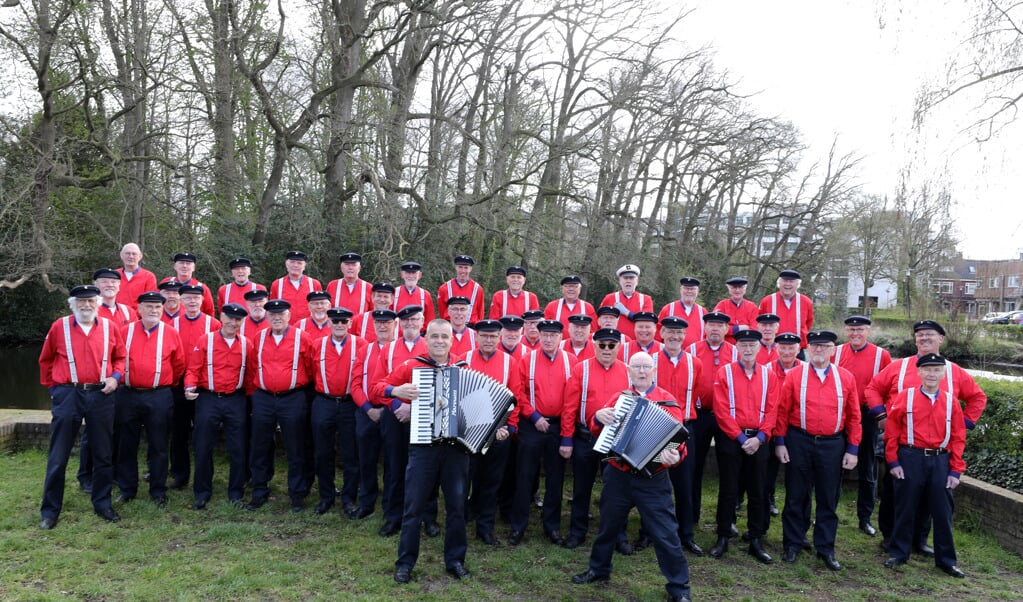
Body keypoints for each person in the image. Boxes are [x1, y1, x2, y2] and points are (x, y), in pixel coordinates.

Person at [571, 352, 692, 602]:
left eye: (646, 367)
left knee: (666, 532)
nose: (641, 371)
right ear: (629, 371)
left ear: (654, 371)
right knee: (607, 526)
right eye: (636, 367)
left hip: (654, 478)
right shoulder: (619, 398)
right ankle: (599, 569)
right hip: (619, 473)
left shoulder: (668, 402)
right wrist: (597, 416)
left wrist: (675, 457)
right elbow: (598, 429)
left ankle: (679, 587)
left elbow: (679, 443)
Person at [864, 319, 986, 552]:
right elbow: (872, 389)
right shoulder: (898, 367)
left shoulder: (953, 371)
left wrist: (962, 424)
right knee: (894, 492)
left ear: (941, 338)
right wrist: (881, 416)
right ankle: (891, 537)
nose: (924, 339)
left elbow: (978, 398)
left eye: (930, 334)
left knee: (928, 496)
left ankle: (919, 539)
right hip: (901, 443)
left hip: (936, 447)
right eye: (919, 335)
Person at [378, 320, 473, 584]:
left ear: (452, 340)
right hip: (423, 447)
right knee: (413, 507)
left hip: (456, 450)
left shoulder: (464, 368)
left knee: (456, 507)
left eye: (444, 336)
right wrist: (395, 392)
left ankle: (455, 560)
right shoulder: (412, 365)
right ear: (426, 338)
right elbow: (378, 387)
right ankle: (405, 563)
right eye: (434, 336)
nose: (440, 341)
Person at [38, 285, 126, 528]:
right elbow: (45, 359)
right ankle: (50, 510)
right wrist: (54, 389)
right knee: (58, 454)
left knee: (103, 453)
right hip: (68, 393)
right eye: (81, 302)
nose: (86, 306)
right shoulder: (60, 326)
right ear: (72, 304)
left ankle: (102, 503)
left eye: (90, 301)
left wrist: (115, 377)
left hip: (101, 394)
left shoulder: (109, 327)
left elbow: (120, 357)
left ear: (97, 302)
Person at [774, 330, 860, 570]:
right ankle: (792, 543)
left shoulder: (846, 377)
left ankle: (825, 547)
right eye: (815, 346)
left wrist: (852, 449)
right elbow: (781, 411)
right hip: (799, 440)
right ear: (808, 349)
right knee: (796, 495)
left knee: (828, 497)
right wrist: (780, 442)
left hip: (832, 444)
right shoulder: (794, 376)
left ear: (833, 349)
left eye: (825, 346)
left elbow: (854, 416)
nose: (819, 350)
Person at [883, 353, 967, 578]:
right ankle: (899, 553)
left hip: (940, 460)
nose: (932, 374)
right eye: (927, 369)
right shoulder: (905, 397)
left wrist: (956, 469)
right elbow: (891, 432)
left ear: (943, 373)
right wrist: (893, 461)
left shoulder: (951, 402)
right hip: (910, 457)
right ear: (919, 372)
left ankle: (946, 560)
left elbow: (959, 436)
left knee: (942, 512)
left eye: (936, 370)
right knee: (905, 508)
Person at [709, 329, 779, 564]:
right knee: (728, 489)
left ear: (760, 347)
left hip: (759, 440)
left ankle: (756, 539)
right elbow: (720, 409)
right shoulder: (724, 373)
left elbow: (772, 410)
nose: (748, 349)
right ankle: (723, 536)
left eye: (752, 345)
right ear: (737, 348)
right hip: (732, 439)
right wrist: (740, 439)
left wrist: (759, 438)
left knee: (758, 490)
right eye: (743, 345)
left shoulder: (769, 375)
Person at [562, 328, 631, 551]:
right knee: (582, 487)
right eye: (602, 345)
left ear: (619, 347)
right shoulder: (581, 369)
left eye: (612, 345)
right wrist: (566, 439)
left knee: (616, 491)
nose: (607, 350)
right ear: (594, 345)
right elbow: (570, 407)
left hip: (617, 439)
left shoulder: (628, 372)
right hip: (586, 437)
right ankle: (577, 531)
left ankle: (618, 535)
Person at [115, 291, 186, 508]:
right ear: (139, 309)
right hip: (128, 394)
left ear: (162, 309)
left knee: (159, 444)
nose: (153, 310)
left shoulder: (171, 333)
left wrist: (162, 384)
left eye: (157, 307)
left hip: (159, 395)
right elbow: (115, 358)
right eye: (148, 306)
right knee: (126, 444)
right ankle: (127, 489)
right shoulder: (125, 332)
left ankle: (158, 490)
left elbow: (179, 365)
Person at [508, 319, 576, 546]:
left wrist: (567, 434)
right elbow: (519, 393)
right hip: (532, 424)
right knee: (524, 477)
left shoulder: (571, 361)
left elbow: (571, 402)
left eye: (553, 335)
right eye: (544, 335)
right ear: (539, 335)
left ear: (560, 337)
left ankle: (552, 527)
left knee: (556, 480)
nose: (548, 339)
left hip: (558, 426)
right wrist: (534, 416)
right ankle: (518, 526)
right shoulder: (527, 360)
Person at [246, 299, 315, 511]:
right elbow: (252, 366)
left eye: (281, 314)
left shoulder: (302, 338)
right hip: (264, 398)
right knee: (260, 445)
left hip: (292, 398)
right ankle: (259, 490)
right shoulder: (259, 338)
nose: (277, 318)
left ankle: (297, 493)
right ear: (267, 317)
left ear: (289, 315)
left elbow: (310, 368)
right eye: (272, 314)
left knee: (295, 446)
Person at [184, 303, 254, 509]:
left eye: (238, 320)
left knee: (238, 447)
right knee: (203, 446)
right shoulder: (205, 340)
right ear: (221, 318)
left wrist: (251, 399)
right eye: (229, 318)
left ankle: (236, 492)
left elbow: (250, 374)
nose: (233, 323)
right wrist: (189, 387)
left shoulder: (246, 344)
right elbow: (193, 368)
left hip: (236, 399)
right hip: (209, 398)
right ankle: (202, 492)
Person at [463, 319, 523, 546]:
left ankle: (485, 527)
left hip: (498, 433)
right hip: (468, 432)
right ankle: (462, 518)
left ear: (499, 338)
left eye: (493, 336)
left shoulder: (510, 362)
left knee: (491, 480)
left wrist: (510, 427)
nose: (488, 340)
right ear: (476, 337)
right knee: (465, 478)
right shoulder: (464, 359)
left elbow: (515, 398)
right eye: (484, 336)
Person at [371, 305, 428, 536]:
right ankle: (393, 516)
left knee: (424, 469)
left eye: (415, 319)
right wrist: (398, 405)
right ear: (400, 324)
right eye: (406, 321)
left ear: (423, 321)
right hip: (394, 415)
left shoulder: (431, 347)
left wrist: (412, 408)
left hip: (423, 415)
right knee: (394, 467)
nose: (410, 324)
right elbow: (377, 386)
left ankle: (426, 516)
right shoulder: (388, 349)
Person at [833, 315, 892, 537]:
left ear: (868, 331)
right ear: (846, 331)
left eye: (860, 330)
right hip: (841, 414)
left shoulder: (881, 355)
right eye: (851, 330)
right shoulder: (836, 352)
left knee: (868, 468)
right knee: (833, 468)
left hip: (867, 416)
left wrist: (883, 414)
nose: (855, 334)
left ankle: (865, 518)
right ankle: (829, 513)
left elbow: (888, 387)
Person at [651, 316, 705, 556]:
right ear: (661, 334)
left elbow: (699, 395)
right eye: (670, 332)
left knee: (684, 484)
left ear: (685, 336)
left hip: (683, 428)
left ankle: (686, 535)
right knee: (651, 484)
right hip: (654, 429)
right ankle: (648, 533)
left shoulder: (696, 363)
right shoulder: (650, 361)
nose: (674, 337)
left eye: (679, 333)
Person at [309, 307, 368, 515]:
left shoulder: (360, 345)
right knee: (323, 452)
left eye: (344, 322)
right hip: (323, 402)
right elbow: (310, 372)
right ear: (329, 323)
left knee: (351, 452)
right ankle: (326, 496)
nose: (340, 325)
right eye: (335, 322)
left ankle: (349, 498)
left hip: (349, 403)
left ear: (350, 324)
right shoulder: (317, 345)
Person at [168, 284, 221, 490]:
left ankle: (204, 477)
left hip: (204, 385)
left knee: (203, 434)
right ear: (180, 301)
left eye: (196, 298)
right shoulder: (172, 324)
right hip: (179, 384)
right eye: (187, 298)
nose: (192, 302)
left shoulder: (213, 323)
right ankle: (180, 475)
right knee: (179, 431)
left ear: (202, 301)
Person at [686, 311, 736, 529]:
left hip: (727, 417)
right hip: (700, 415)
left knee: (729, 469)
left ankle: (727, 520)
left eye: (720, 325)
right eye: (711, 325)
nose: (715, 329)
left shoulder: (735, 352)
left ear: (727, 329)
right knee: (693, 467)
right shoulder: (692, 350)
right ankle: (690, 515)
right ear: (704, 328)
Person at [350, 308, 400, 520]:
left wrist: (388, 406)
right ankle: (367, 502)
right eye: (378, 322)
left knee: (392, 461)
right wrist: (368, 409)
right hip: (367, 411)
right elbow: (355, 384)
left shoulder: (399, 349)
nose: (382, 326)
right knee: (366, 460)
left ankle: (390, 505)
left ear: (395, 325)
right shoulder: (365, 350)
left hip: (392, 412)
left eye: (387, 322)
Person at [758, 269, 814, 348]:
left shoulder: (806, 302)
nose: (788, 284)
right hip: (773, 349)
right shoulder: (767, 301)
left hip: (797, 349)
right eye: (785, 281)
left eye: (791, 281)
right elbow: (759, 323)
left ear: (797, 284)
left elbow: (808, 322)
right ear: (779, 283)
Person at [600, 264, 653, 340]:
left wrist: (626, 312)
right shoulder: (609, 298)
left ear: (637, 281)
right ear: (620, 281)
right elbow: (600, 321)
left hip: (637, 343)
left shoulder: (645, 299)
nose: (628, 281)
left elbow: (646, 322)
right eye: (625, 278)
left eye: (631, 278)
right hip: (614, 343)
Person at [269, 251, 323, 324]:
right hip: (285, 328)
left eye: (299, 263)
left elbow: (320, 307)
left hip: (308, 328)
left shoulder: (314, 284)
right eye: (292, 262)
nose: (295, 265)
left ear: (304, 266)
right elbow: (273, 309)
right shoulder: (277, 285)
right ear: (286, 264)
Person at [658, 276, 706, 347]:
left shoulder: (703, 312)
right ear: (681, 290)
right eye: (686, 288)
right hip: (671, 354)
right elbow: (658, 334)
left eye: (692, 289)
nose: (689, 291)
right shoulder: (668, 309)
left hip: (696, 355)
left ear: (697, 291)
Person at [437, 254, 485, 322]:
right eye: (460, 267)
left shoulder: (478, 289)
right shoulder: (444, 288)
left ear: (470, 269)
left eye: (466, 268)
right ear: (456, 267)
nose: (463, 271)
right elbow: (442, 311)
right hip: (450, 326)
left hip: (471, 326)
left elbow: (480, 312)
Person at [713, 277, 759, 345]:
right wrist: (737, 328)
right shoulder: (722, 305)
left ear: (745, 289)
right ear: (729, 290)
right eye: (734, 287)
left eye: (740, 287)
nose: (737, 290)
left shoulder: (752, 307)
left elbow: (754, 329)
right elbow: (717, 327)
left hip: (746, 345)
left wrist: (728, 329)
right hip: (725, 345)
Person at [116, 242, 158, 310]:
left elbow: (149, 301)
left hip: (138, 318)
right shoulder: (114, 275)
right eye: (127, 253)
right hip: (115, 316)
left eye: (134, 254)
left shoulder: (149, 277)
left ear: (140, 256)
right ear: (121, 255)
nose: (131, 256)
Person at [393, 261, 436, 325]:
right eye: (408, 273)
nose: (411, 276)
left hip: (418, 333)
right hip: (397, 334)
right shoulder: (394, 293)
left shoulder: (425, 295)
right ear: (402, 274)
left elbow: (430, 321)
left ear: (420, 275)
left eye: (414, 273)